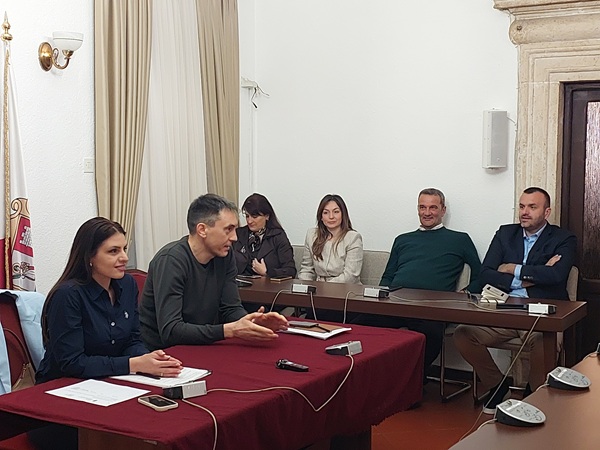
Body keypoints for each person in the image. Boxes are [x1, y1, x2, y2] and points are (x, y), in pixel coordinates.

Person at [34, 217, 182, 450]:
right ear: (90, 257)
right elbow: (72, 363)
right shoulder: (68, 295)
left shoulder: (127, 285)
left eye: (124, 248)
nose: (124, 257)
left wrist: (149, 359)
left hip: (111, 386)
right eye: (113, 251)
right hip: (62, 400)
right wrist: (134, 364)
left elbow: (132, 338)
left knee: (165, 426)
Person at [454, 187, 576, 414]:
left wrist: (511, 268)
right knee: (463, 334)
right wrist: (533, 276)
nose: (524, 212)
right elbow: (486, 274)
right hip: (505, 309)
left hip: (542, 313)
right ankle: (497, 386)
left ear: (546, 212)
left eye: (532, 207)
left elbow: (557, 276)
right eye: (521, 206)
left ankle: (534, 395)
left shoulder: (563, 238)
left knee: (543, 340)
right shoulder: (505, 234)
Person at [352, 188, 482, 372]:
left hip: (432, 308)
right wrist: (381, 298)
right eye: (422, 207)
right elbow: (388, 275)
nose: (427, 212)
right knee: (358, 324)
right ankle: (371, 375)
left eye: (433, 207)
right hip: (396, 302)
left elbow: (481, 273)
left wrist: (464, 295)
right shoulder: (403, 239)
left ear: (443, 210)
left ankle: (410, 379)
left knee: (431, 335)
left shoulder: (459, 239)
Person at [139, 194, 288, 350]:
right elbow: (171, 330)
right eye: (228, 229)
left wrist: (252, 322)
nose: (235, 238)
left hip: (202, 344)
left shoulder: (225, 256)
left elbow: (230, 308)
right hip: (162, 352)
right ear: (202, 230)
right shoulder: (171, 261)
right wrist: (229, 330)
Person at [298, 194, 363, 284]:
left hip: (345, 288)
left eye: (336, 212)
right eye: (326, 213)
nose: (331, 216)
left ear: (343, 214)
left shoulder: (353, 238)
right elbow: (306, 269)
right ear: (321, 217)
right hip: (318, 288)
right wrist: (305, 287)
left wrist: (325, 287)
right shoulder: (312, 235)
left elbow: (350, 276)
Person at [232, 193, 296, 279]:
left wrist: (267, 272)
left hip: (268, 286)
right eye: (247, 216)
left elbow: (291, 271)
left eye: (254, 216)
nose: (249, 221)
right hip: (240, 284)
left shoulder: (278, 236)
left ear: (267, 216)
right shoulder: (238, 234)